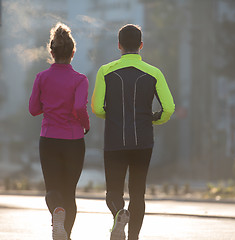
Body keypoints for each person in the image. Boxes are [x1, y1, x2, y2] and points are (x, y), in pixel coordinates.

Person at [91, 24, 175, 240]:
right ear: (141, 45)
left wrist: (113, 115)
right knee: (138, 193)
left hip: (114, 141)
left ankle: (118, 215)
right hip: (143, 141)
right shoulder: (154, 73)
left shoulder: (105, 71)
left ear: (119, 46)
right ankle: (133, 237)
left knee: (113, 192)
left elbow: (97, 108)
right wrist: (153, 119)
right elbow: (169, 108)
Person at [29, 22, 90, 240]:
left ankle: (56, 216)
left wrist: (51, 104)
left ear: (51, 52)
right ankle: (66, 235)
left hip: (49, 139)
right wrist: (86, 125)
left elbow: (33, 109)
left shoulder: (41, 78)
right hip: (73, 141)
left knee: (52, 190)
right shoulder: (80, 79)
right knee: (69, 192)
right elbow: (78, 108)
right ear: (73, 52)